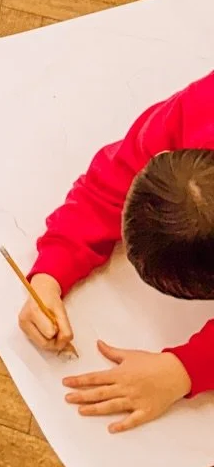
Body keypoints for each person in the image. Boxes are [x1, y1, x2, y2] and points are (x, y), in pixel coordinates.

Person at [16, 68, 214, 431]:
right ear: (163, 161)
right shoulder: (199, 109)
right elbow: (107, 188)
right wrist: (50, 274)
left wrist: (186, 369)